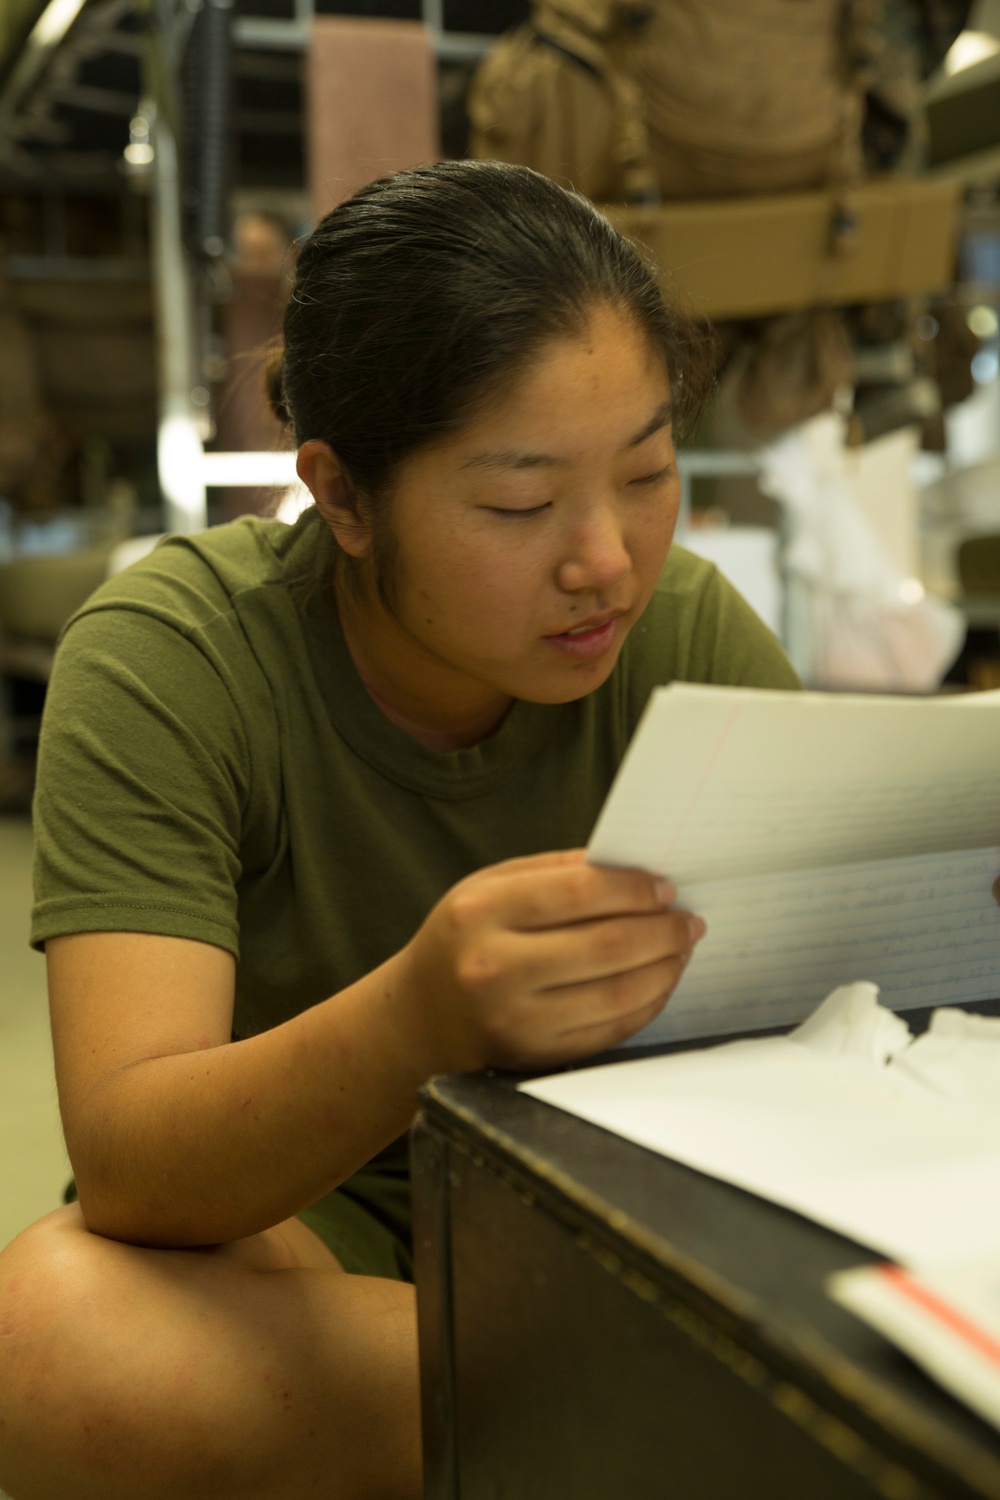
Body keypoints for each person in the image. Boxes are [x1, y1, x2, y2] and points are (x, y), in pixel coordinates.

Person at [0, 160, 798, 1500]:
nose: (607, 559)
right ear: (345, 497)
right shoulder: (175, 657)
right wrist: (422, 1015)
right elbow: (131, 1163)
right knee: (53, 1344)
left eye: (650, 471)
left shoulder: (687, 633)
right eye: (520, 504)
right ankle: (714, 1427)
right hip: (325, 1240)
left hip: (648, 1221)